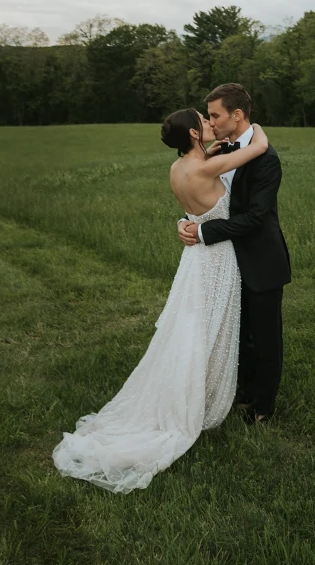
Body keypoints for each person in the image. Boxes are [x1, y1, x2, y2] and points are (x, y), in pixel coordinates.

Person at [52, 109, 268, 494]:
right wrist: (253, 129)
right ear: (191, 132)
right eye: (204, 120)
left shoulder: (179, 169)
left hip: (194, 261)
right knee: (211, 328)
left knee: (190, 327)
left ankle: (193, 388)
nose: (209, 123)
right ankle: (199, 398)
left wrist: (207, 154)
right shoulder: (209, 166)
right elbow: (260, 146)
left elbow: (193, 205)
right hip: (217, 258)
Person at [178, 83, 291, 425]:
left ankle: (262, 407)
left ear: (237, 115)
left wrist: (203, 232)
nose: (210, 122)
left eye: (215, 115)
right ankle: (241, 393)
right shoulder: (219, 152)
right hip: (225, 262)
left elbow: (256, 218)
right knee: (237, 333)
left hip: (260, 258)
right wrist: (187, 221)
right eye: (208, 116)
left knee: (265, 337)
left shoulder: (266, 159)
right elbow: (208, 199)